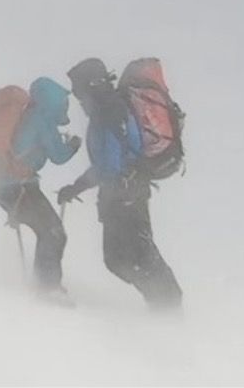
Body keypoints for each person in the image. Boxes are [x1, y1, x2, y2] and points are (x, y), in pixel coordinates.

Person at [57, 59, 182, 310]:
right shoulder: (108, 109)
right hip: (124, 194)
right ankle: (163, 303)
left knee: (132, 257)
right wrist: (79, 186)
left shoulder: (108, 111)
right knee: (122, 259)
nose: (76, 94)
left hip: (126, 196)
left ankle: (168, 305)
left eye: (78, 87)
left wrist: (78, 186)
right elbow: (110, 163)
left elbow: (110, 165)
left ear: (90, 85)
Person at [0, 77, 81, 306]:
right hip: (18, 187)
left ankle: (45, 284)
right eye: (62, 103)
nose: (64, 108)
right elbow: (59, 156)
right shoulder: (42, 119)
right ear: (52, 102)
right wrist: (74, 145)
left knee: (48, 230)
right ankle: (47, 287)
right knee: (52, 231)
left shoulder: (28, 115)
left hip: (5, 187)